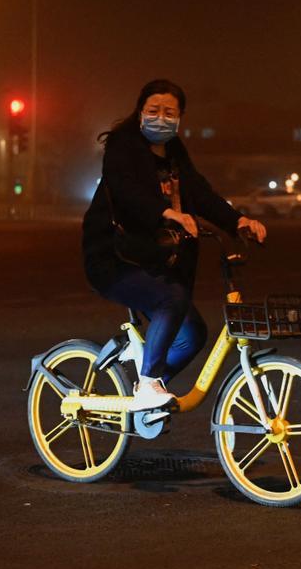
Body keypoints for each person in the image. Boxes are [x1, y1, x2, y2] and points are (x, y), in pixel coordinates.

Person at [82, 79, 267, 410]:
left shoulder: (175, 153)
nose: (161, 118)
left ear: (181, 117)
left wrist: (238, 221)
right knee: (171, 298)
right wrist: (167, 212)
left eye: (170, 112)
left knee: (193, 336)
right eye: (153, 110)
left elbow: (201, 193)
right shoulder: (122, 147)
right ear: (140, 112)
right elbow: (126, 192)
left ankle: (145, 391)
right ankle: (148, 383)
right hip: (114, 258)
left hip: (154, 260)